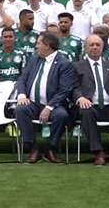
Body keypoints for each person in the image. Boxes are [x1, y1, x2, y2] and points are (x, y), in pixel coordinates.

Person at [15, 31, 74, 163]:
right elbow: (22, 79)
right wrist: (22, 95)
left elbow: (65, 90)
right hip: (33, 103)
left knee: (61, 115)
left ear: (47, 45)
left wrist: (49, 107)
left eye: (38, 43)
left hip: (54, 105)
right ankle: (33, 148)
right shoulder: (34, 59)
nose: (36, 46)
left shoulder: (64, 63)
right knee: (20, 110)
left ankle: (51, 148)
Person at [73, 34, 109, 166]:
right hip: (90, 105)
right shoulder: (77, 66)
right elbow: (73, 87)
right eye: (91, 45)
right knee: (85, 110)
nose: (94, 47)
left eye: (97, 45)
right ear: (85, 48)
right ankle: (98, 153)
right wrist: (80, 97)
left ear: (102, 47)